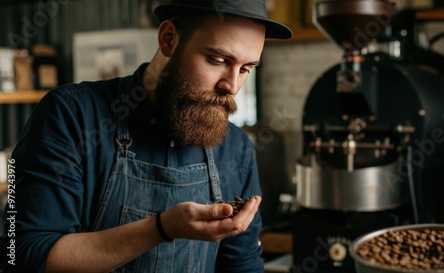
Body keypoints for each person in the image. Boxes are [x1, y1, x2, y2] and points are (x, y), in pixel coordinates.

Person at [0, 0, 292, 272]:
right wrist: (162, 228)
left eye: (245, 69)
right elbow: (21, 254)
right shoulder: (71, 115)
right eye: (217, 60)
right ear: (168, 39)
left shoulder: (236, 147)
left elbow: (241, 264)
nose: (232, 86)